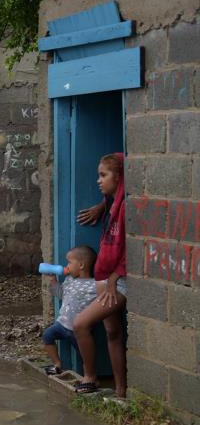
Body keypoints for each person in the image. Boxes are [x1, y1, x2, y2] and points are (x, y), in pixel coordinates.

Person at [72, 153, 127, 396]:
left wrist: (114, 278)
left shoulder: (126, 206)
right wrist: (100, 206)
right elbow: (109, 201)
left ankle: (90, 377)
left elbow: (132, 248)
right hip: (104, 279)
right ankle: (121, 391)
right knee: (112, 333)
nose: (98, 181)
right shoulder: (112, 203)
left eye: (103, 175)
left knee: (80, 324)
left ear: (119, 177)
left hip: (118, 282)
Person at [41, 246, 98, 376]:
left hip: (78, 331)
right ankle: (57, 364)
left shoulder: (95, 285)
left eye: (69, 263)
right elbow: (60, 294)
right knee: (47, 336)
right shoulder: (70, 280)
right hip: (61, 324)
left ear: (81, 265)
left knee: (84, 354)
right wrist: (53, 280)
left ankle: (89, 376)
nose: (67, 266)